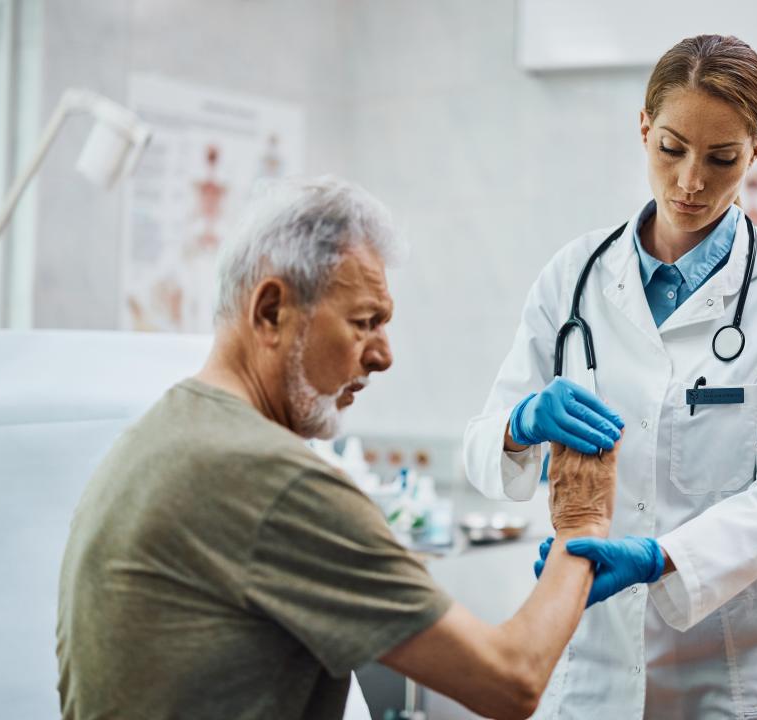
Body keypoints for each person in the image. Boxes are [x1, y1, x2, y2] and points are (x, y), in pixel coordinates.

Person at [56, 176, 623, 720]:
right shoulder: (270, 479)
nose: (383, 356)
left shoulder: (160, 432)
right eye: (364, 322)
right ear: (271, 311)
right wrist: (581, 524)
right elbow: (511, 681)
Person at [464, 34, 757, 718]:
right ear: (644, 129)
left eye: (722, 158)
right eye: (671, 149)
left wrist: (660, 557)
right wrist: (520, 426)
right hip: (596, 664)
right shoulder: (573, 277)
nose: (691, 181)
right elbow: (481, 450)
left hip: (737, 670)